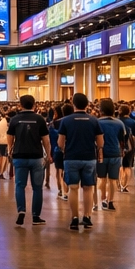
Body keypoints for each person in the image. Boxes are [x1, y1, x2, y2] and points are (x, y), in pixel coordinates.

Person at [57, 97, 104, 231]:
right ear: (87, 105)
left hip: (71, 158)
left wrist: (65, 150)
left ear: (74, 104)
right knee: (88, 188)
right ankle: (87, 217)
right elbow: (100, 142)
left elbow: (60, 143)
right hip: (89, 158)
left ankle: (74, 218)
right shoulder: (94, 120)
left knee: (73, 188)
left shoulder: (66, 120)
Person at [5, 94, 51, 225]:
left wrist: (10, 151)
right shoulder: (39, 119)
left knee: (20, 185)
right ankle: (36, 216)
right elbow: (46, 140)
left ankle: (21, 211)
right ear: (34, 104)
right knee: (37, 187)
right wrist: (48, 155)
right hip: (36, 157)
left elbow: (10, 137)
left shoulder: (15, 119)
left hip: (19, 156)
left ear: (20, 105)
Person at [94, 99, 126, 211]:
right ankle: (110, 201)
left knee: (101, 178)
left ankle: (103, 199)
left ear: (101, 110)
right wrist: (122, 151)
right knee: (113, 179)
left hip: (101, 153)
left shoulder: (97, 122)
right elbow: (122, 140)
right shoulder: (119, 123)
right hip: (115, 153)